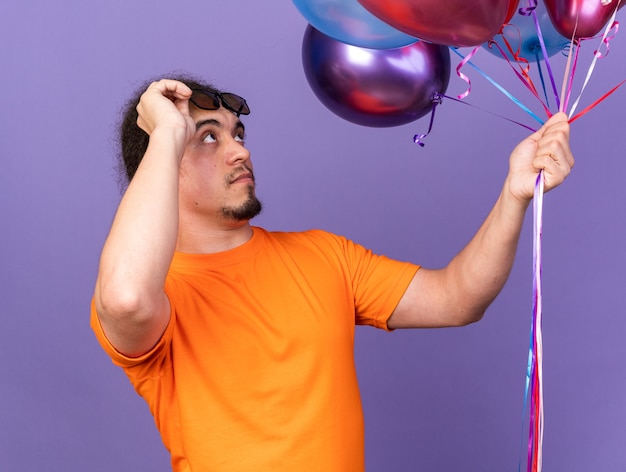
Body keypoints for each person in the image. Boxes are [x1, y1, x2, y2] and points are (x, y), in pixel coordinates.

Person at [90, 73, 574, 472]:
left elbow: (457, 298)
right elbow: (125, 299)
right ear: (160, 163)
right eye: (208, 138)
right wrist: (167, 133)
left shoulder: (324, 255)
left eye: (237, 134)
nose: (240, 151)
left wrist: (514, 195)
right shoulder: (158, 295)